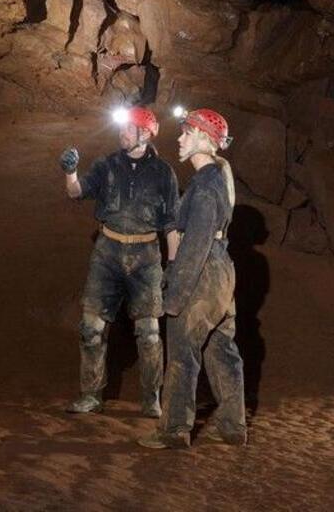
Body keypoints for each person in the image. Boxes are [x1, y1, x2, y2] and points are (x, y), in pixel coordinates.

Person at [59, 106, 179, 418]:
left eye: (129, 129)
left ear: (146, 134)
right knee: (90, 328)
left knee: (150, 333)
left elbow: (170, 225)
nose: (122, 133)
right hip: (108, 251)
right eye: (122, 128)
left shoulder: (164, 173)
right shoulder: (107, 165)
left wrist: (174, 266)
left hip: (146, 257)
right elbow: (76, 193)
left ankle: (151, 399)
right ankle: (90, 395)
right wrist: (70, 171)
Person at [139, 108, 247, 449]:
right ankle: (233, 427)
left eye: (187, 133)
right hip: (222, 273)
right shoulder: (216, 179)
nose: (180, 138)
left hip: (203, 273)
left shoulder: (203, 188)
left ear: (204, 139)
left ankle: (173, 431)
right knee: (222, 351)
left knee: (183, 354)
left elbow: (195, 246)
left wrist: (174, 297)